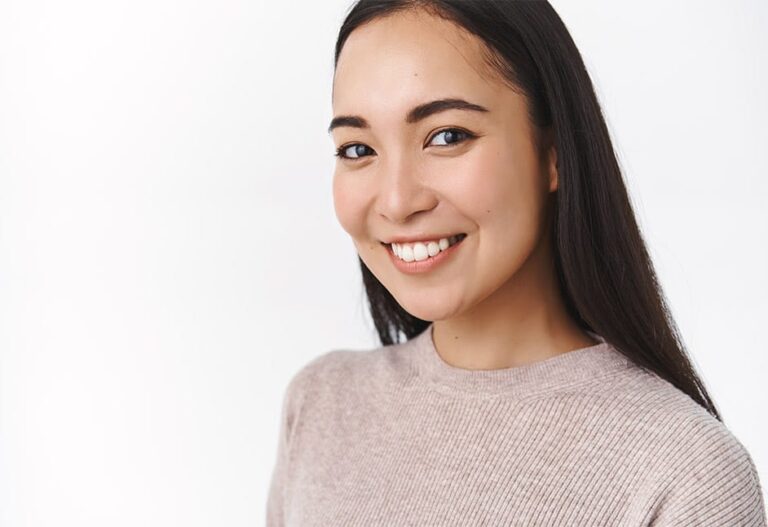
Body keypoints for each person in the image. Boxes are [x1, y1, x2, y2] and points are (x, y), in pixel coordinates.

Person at [267, 1, 767, 525]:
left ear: (552, 153)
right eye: (357, 149)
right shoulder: (320, 407)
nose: (396, 201)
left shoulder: (683, 471)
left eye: (447, 136)